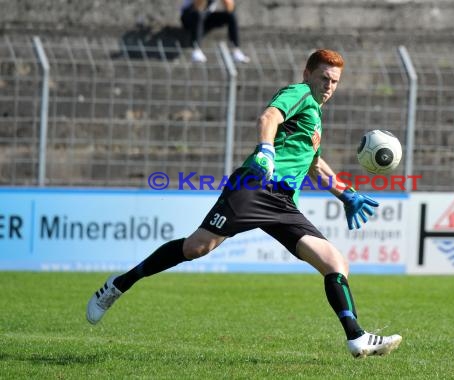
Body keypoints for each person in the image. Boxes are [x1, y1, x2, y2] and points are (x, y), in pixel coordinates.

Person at [86, 49, 402, 358]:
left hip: (282, 203)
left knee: (335, 262)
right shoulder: (299, 93)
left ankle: (357, 337)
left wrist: (346, 193)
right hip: (254, 185)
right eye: (324, 78)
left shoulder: (316, 117)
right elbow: (269, 117)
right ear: (308, 75)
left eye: (335, 81)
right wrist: (265, 149)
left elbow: (315, 166)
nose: (329, 86)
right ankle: (118, 285)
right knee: (197, 248)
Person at [180, 0, 250, 63]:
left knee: (231, 16)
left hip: (206, 16)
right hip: (189, 16)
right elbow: (197, 8)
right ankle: (196, 50)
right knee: (198, 15)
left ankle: (236, 51)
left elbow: (230, 8)